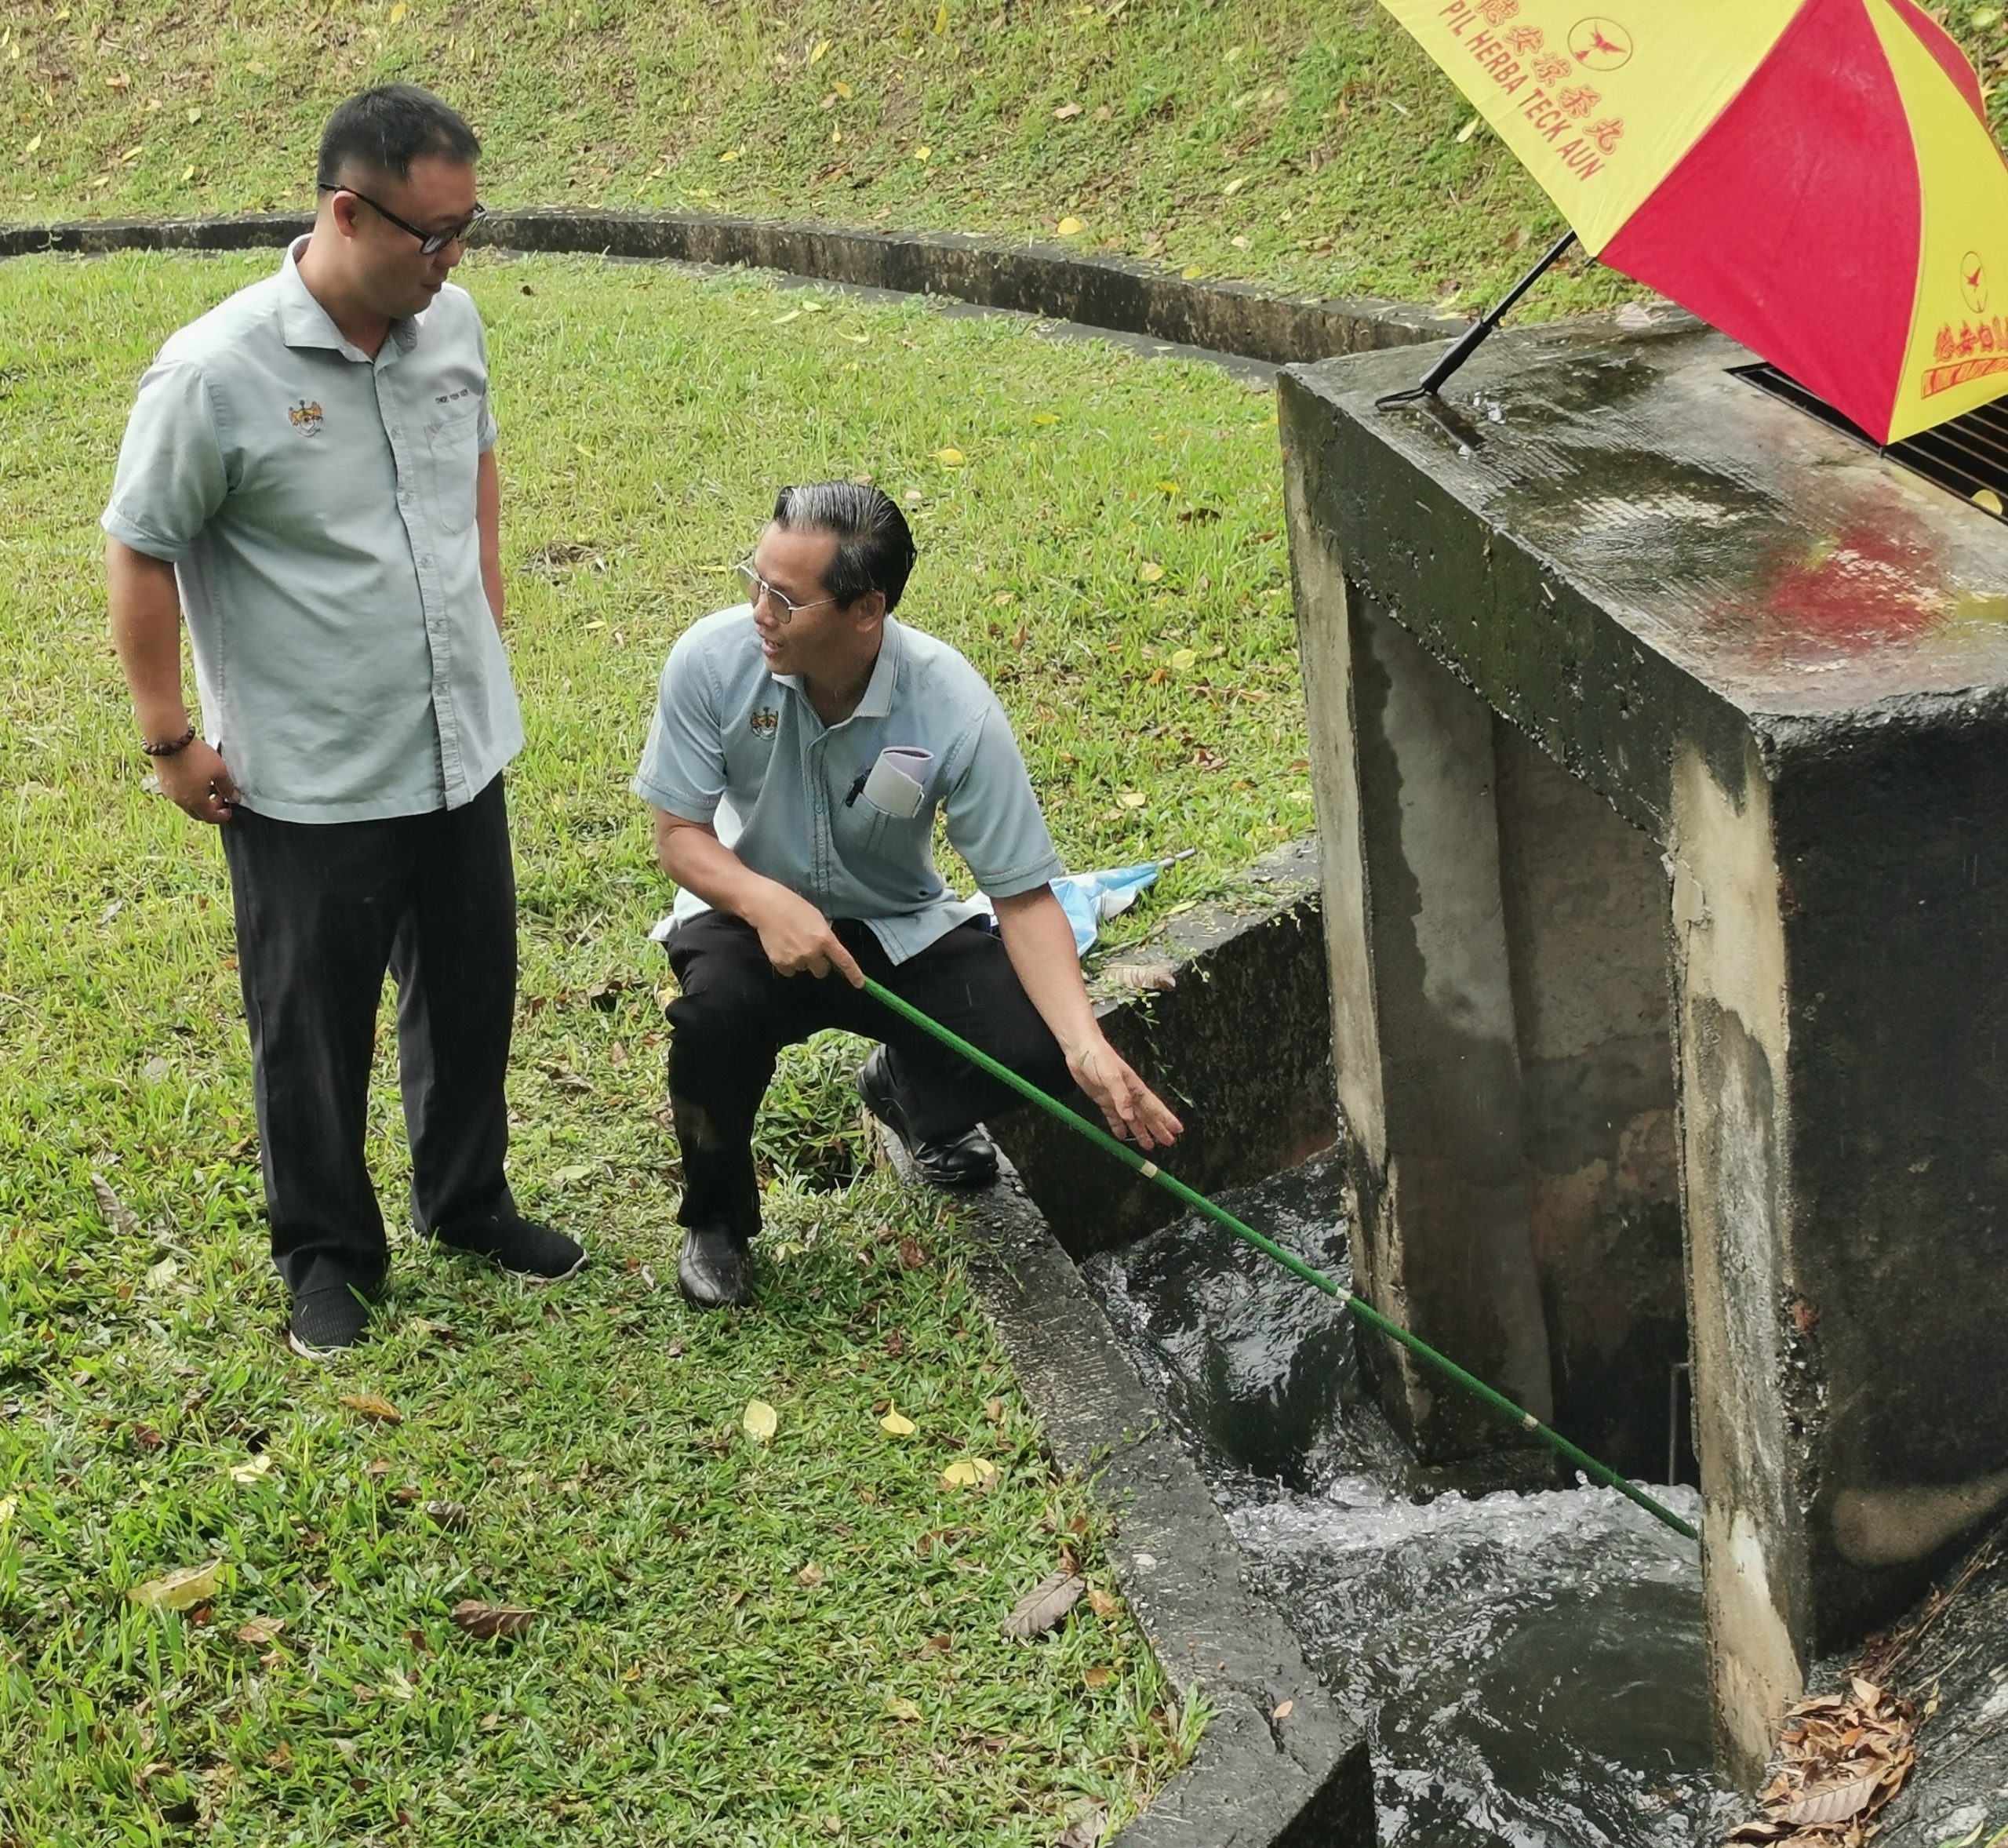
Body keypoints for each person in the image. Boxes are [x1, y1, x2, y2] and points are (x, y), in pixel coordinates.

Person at [102, 85, 582, 1360]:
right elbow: (140, 547)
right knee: (313, 1035)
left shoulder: (453, 325)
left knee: (472, 997)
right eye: (432, 234)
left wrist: (482, 607)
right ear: (344, 214)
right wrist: (167, 738)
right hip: (307, 777)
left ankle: (468, 1203)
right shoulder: (216, 372)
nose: (455, 257)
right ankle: (328, 1256)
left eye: (469, 227)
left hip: (457, 746)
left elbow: (474, 455)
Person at [633, 482, 1183, 1309]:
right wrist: (760, 901)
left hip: (898, 925)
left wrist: (1084, 1046)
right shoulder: (710, 662)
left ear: (866, 610)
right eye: (755, 579)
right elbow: (678, 834)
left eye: (785, 597)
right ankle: (716, 1220)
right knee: (712, 1022)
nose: (759, 610)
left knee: (1036, 1048)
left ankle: (907, 1092)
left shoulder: (950, 705)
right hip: (748, 913)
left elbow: (1024, 898)